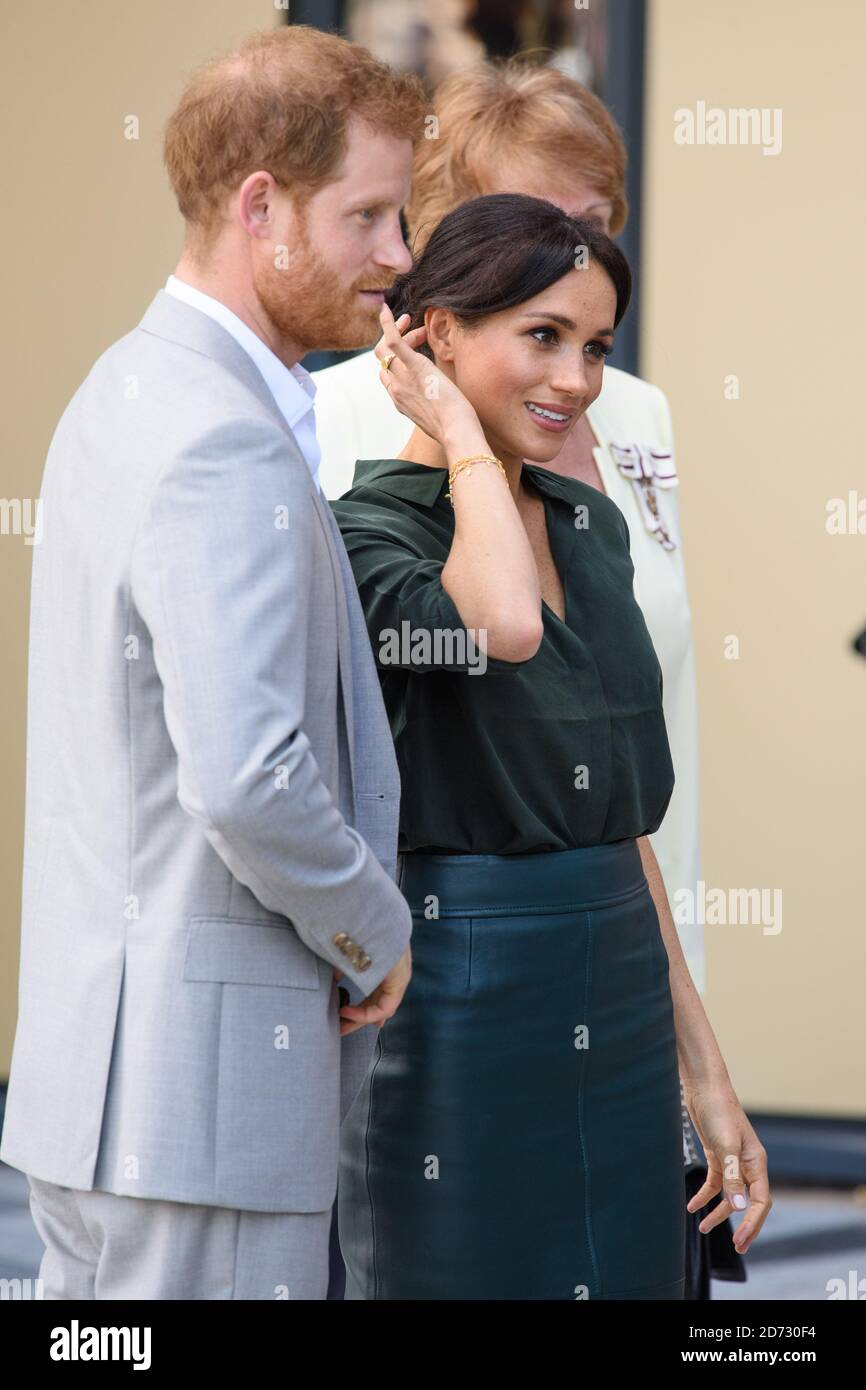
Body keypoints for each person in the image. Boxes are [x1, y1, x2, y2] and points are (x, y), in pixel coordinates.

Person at [0, 25, 426, 1300]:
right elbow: (245, 776)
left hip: (111, 1098)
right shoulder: (219, 439)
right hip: (201, 1115)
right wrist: (375, 929)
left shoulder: (120, 389)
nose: (399, 258)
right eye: (369, 216)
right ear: (261, 207)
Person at [311, 55, 720, 1294]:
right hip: (446, 948)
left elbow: (624, 711)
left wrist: (699, 1047)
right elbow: (495, 630)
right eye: (537, 239)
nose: (576, 371)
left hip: (621, 917)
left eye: (592, 233)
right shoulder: (346, 462)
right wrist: (457, 440)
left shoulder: (603, 469)